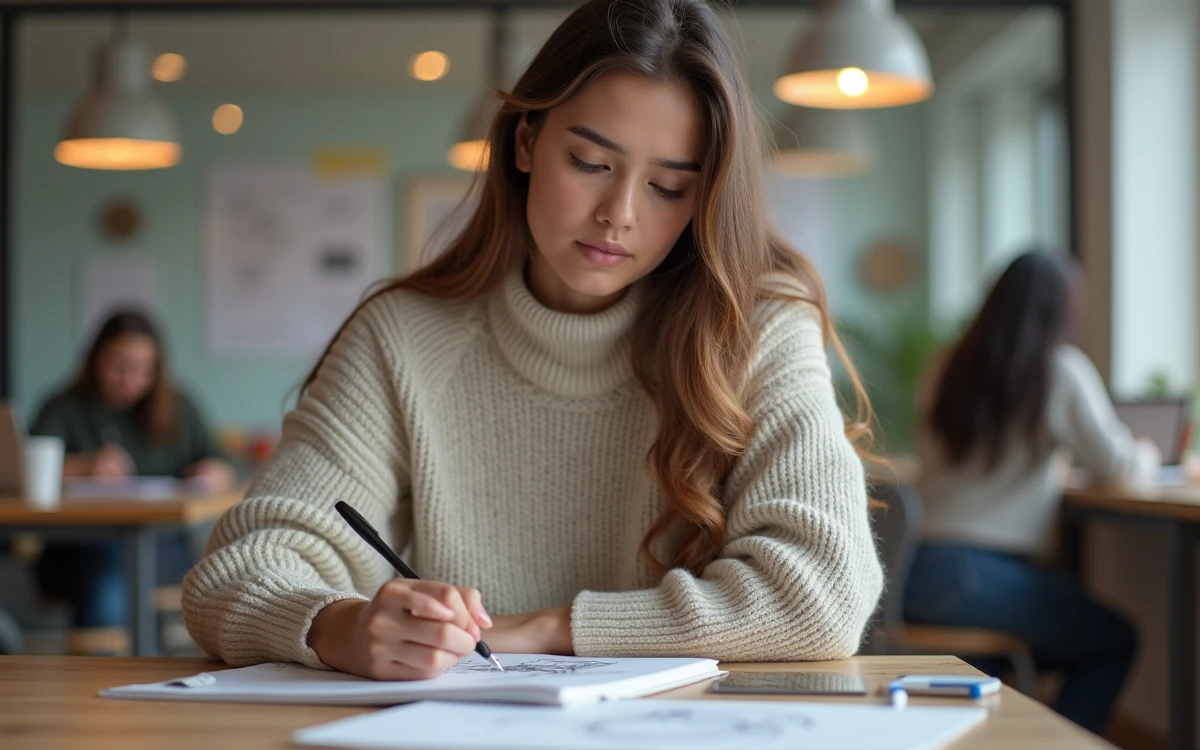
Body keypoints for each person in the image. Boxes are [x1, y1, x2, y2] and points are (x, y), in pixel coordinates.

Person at [184, 0, 883, 679]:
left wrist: (551, 630)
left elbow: (823, 594)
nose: (619, 215)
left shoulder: (756, 329)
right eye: (589, 162)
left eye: (669, 187)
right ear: (524, 142)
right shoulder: (403, 339)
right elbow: (238, 569)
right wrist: (343, 627)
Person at [907, 251, 1158, 733]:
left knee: (1039, 644)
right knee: (1114, 640)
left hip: (918, 572)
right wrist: (1150, 451)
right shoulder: (1058, 369)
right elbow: (1119, 463)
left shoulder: (946, 365)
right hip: (981, 580)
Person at [30, 309, 234, 641]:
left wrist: (214, 472)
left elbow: (223, 463)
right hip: (76, 548)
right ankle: (114, 665)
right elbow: (27, 468)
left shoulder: (178, 406)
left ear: (157, 370)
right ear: (95, 359)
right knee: (107, 563)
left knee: (119, 566)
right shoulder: (64, 406)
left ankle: (110, 664)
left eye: (143, 370)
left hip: (163, 546)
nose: (129, 379)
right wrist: (83, 466)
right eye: (118, 365)